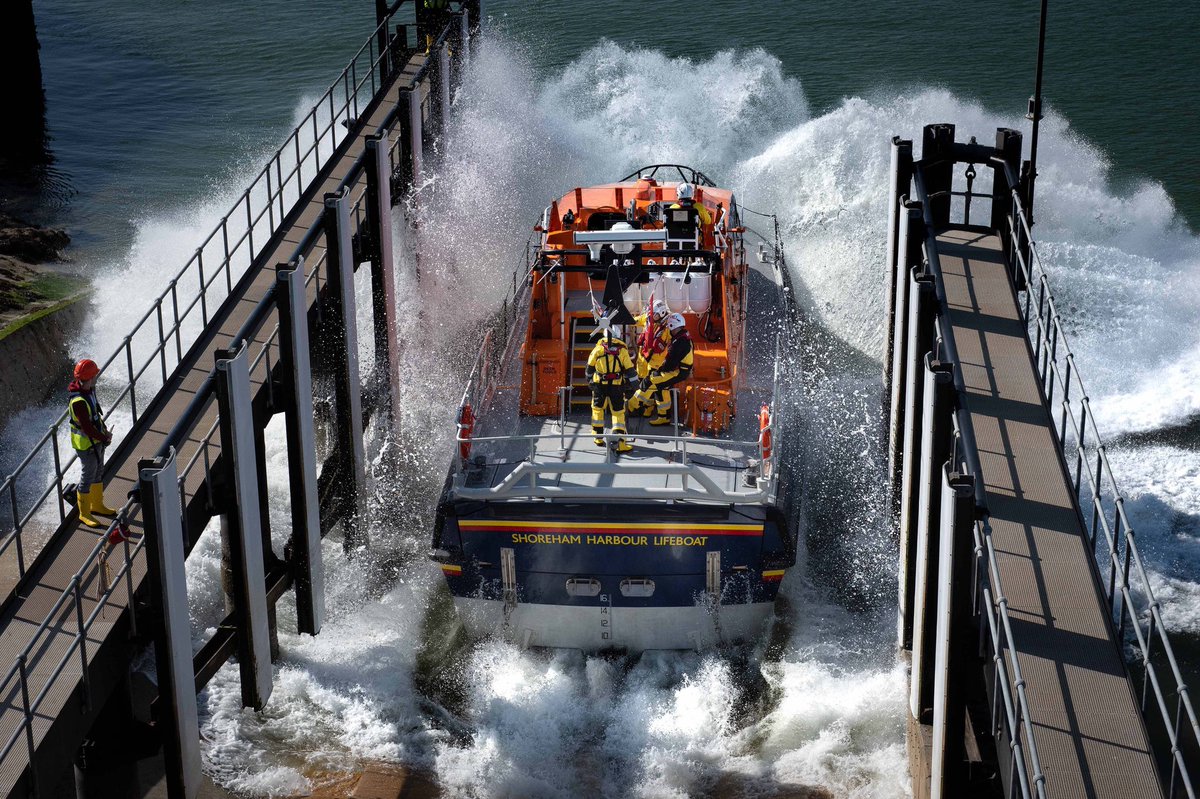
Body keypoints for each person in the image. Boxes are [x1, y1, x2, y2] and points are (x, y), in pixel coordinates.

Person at [68, 358, 116, 528]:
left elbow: (95, 416)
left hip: (95, 441)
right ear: (89, 377)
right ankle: (84, 513)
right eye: (95, 374)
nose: (97, 377)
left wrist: (104, 433)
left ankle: (97, 505)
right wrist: (104, 438)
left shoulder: (89, 391)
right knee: (87, 477)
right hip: (86, 444)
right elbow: (87, 428)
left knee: (98, 472)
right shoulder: (79, 401)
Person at [627, 313, 693, 426]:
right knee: (662, 388)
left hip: (678, 372)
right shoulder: (682, 337)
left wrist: (660, 370)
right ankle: (664, 417)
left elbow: (670, 364)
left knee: (649, 381)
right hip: (679, 370)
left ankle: (632, 405)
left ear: (672, 326)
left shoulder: (679, 343)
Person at [584, 325, 638, 452]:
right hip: (616, 386)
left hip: (599, 386)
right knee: (618, 413)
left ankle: (598, 438)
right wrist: (636, 386)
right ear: (618, 336)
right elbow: (630, 371)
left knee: (597, 409)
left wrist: (590, 381)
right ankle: (620, 442)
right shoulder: (622, 351)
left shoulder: (598, 349)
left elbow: (589, 369)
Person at [633, 298, 672, 384]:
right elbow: (634, 320)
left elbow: (672, 343)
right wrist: (625, 319)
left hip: (656, 363)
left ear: (661, 313)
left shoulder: (668, 326)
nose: (651, 315)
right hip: (643, 359)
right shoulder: (647, 319)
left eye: (653, 314)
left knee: (654, 386)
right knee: (641, 384)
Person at [664, 182, 712, 249]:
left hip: (674, 244)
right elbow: (708, 221)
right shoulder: (699, 207)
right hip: (695, 243)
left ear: (678, 194)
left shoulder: (672, 209)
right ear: (691, 194)